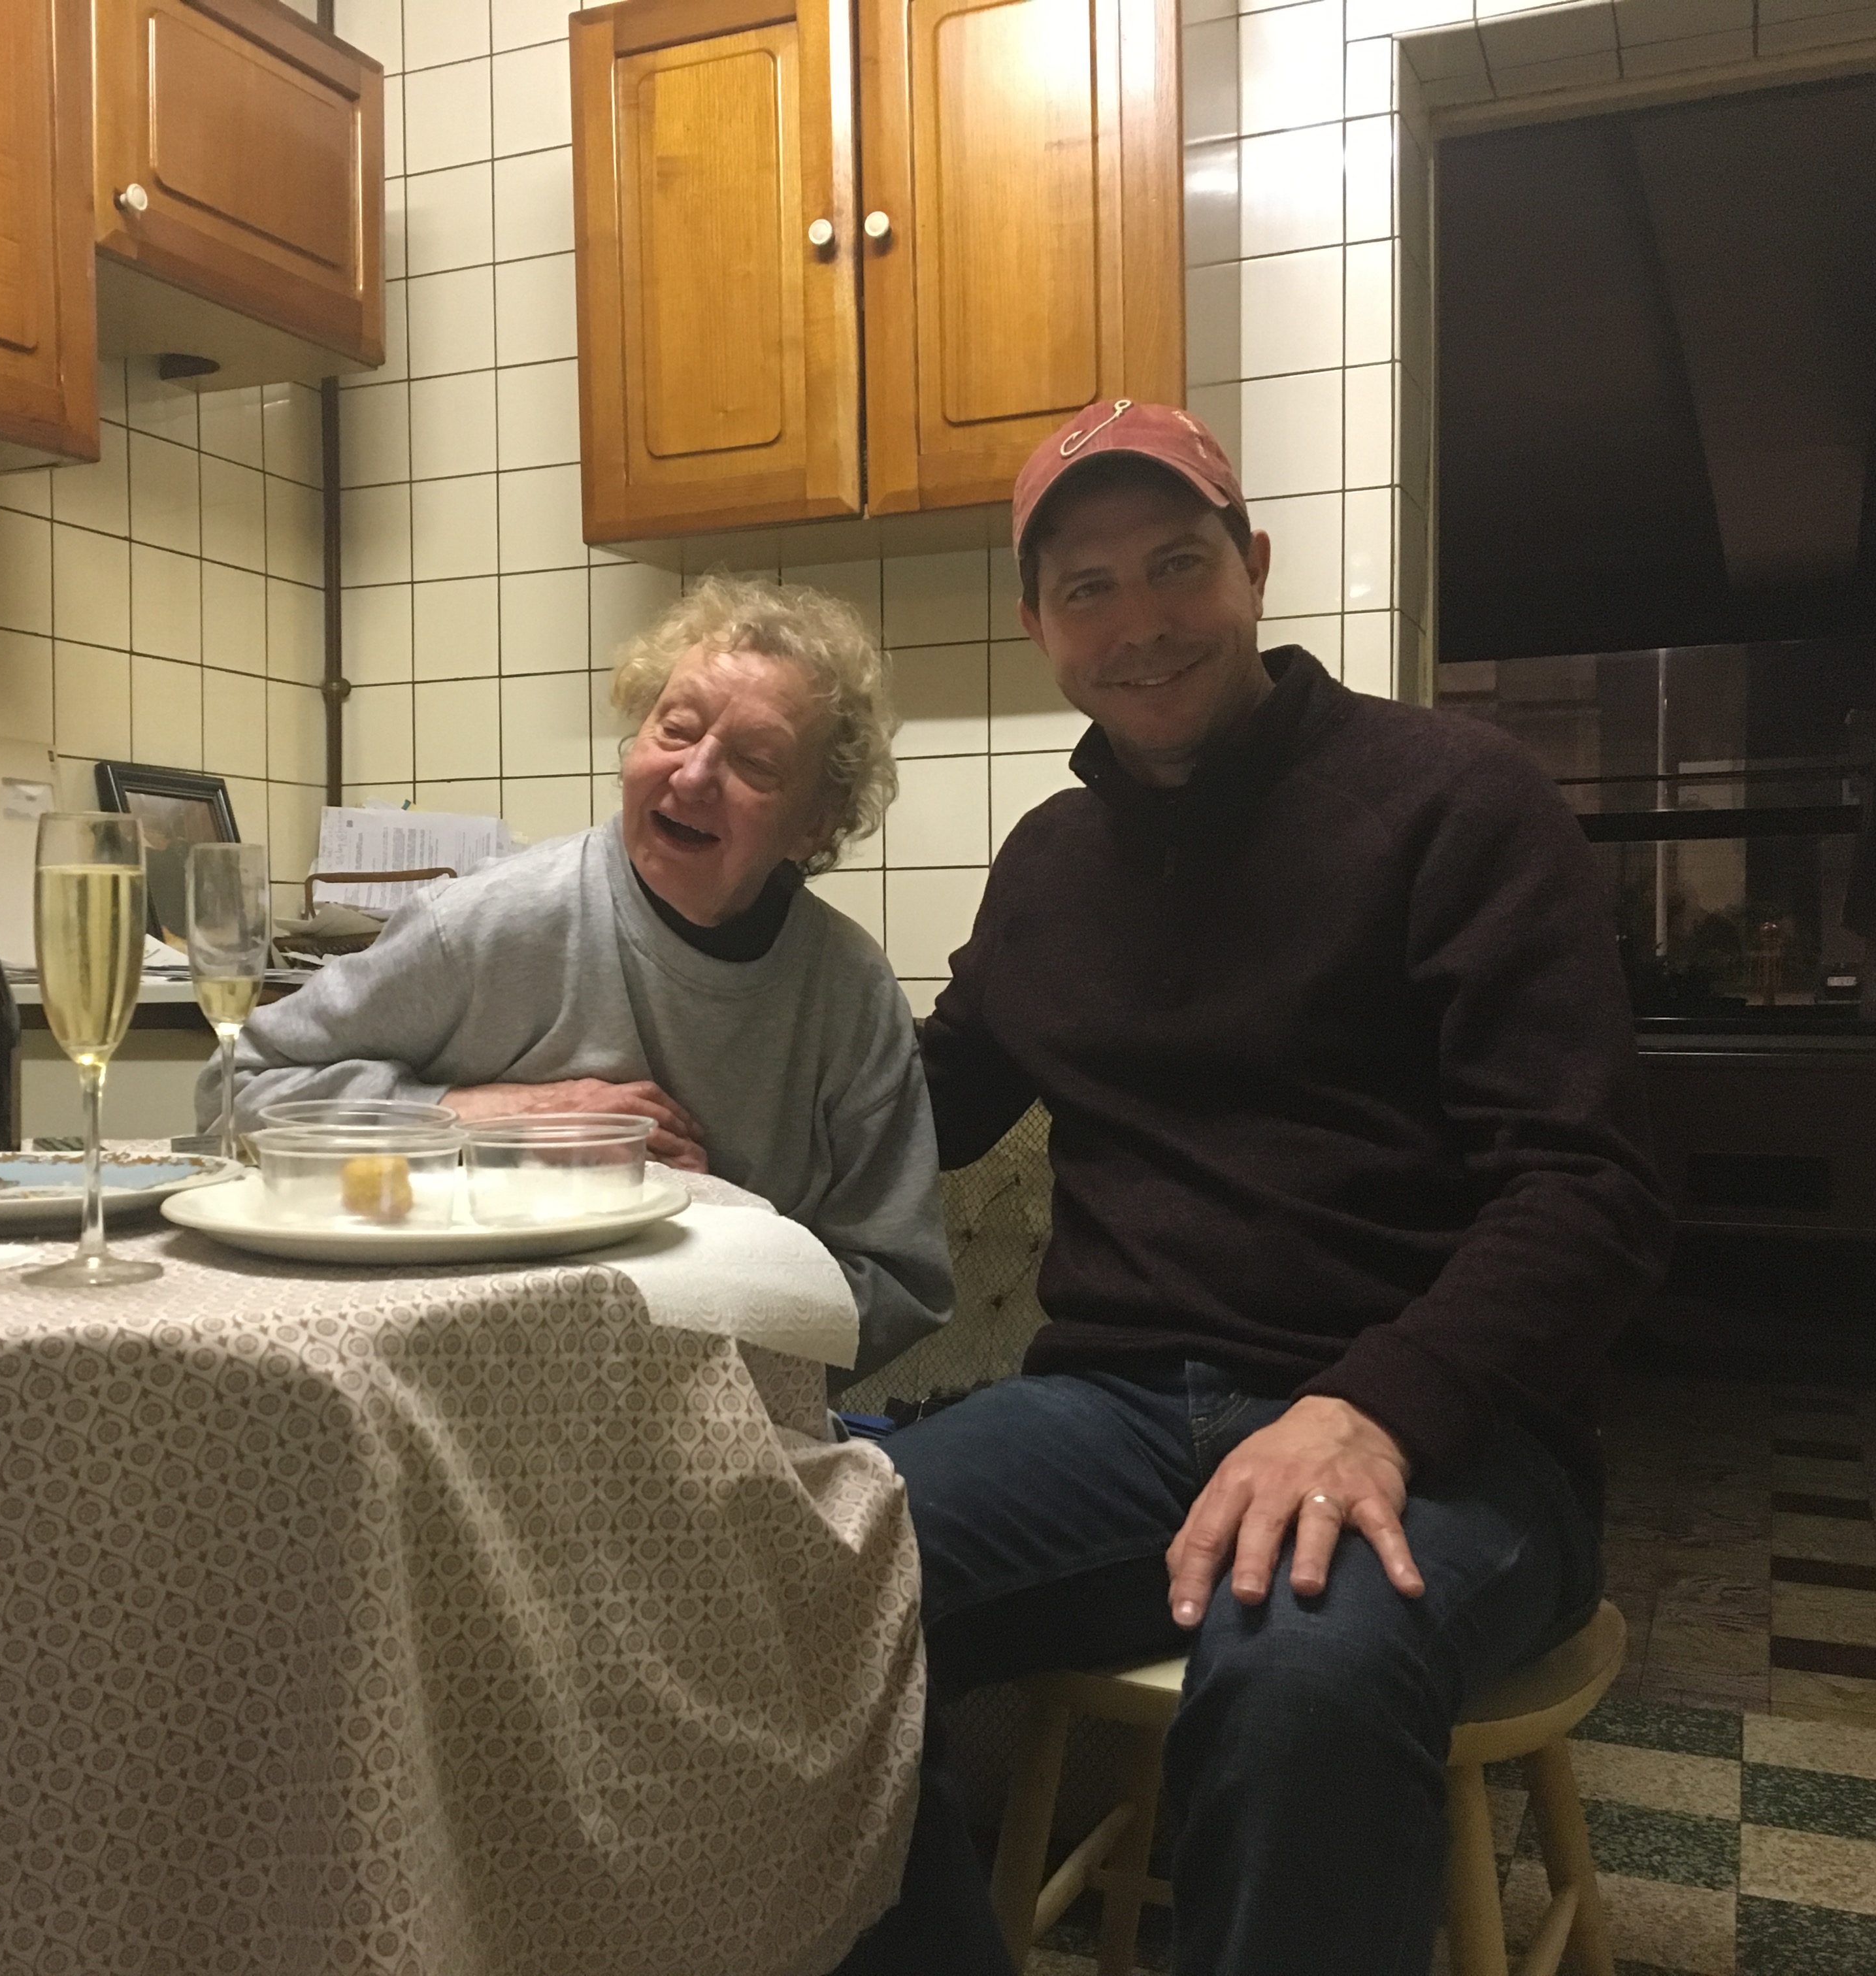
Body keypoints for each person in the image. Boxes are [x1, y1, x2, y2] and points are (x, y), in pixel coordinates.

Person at [836, 403, 1672, 1975]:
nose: (1139, 622)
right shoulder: (1051, 863)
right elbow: (925, 1107)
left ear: (1255, 566)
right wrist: (695, 1067)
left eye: (1178, 564)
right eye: (1087, 588)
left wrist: (1375, 1407)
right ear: (1036, 625)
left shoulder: (1456, 802)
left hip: (1452, 1439)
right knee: (812, 1583)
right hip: (1114, 1417)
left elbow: (1590, 1189)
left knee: (1301, 1667)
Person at [213, 574, 954, 1379]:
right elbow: (238, 1086)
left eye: (755, 762)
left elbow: (899, 1283)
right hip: (463, 1383)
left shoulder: (848, 991)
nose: (693, 775)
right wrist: (495, 1117)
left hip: (735, 1408)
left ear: (813, 823)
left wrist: (708, 1294)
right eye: (676, 728)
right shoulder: (487, 926)